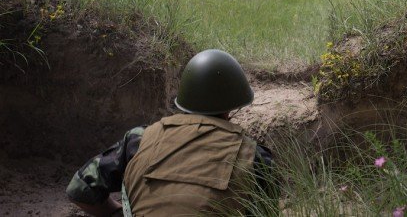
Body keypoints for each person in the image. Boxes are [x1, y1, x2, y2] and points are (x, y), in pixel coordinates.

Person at [66, 49, 278, 216]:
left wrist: (117, 212)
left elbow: (79, 189)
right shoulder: (256, 158)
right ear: (231, 108)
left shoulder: (140, 139)